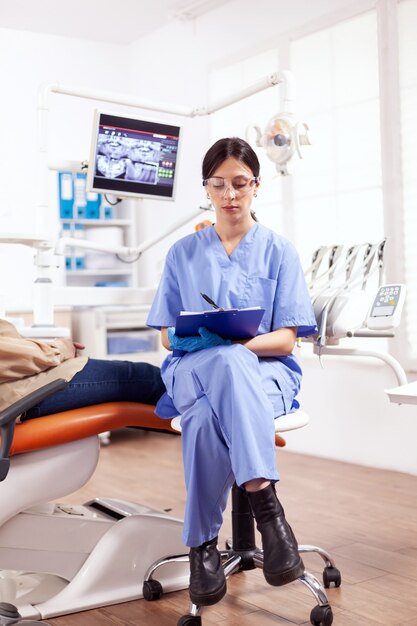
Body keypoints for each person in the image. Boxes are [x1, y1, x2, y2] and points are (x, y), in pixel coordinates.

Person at [146, 137, 318, 607]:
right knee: (223, 360)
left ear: (256, 186)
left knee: (205, 414)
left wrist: (235, 345)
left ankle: (201, 546)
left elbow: (284, 339)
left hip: (266, 370)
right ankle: (269, 508)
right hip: (193, 367)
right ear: (206, 188)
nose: (230, 195)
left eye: (240, 184)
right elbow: (167, 335)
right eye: (219, 185)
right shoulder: (183, 253)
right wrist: (216, 343)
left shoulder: (279, 251)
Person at [0, 318, 165, 420]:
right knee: (147, 378)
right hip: (21, 394)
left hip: (23, 382)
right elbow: (10, 354)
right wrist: (60, 349)